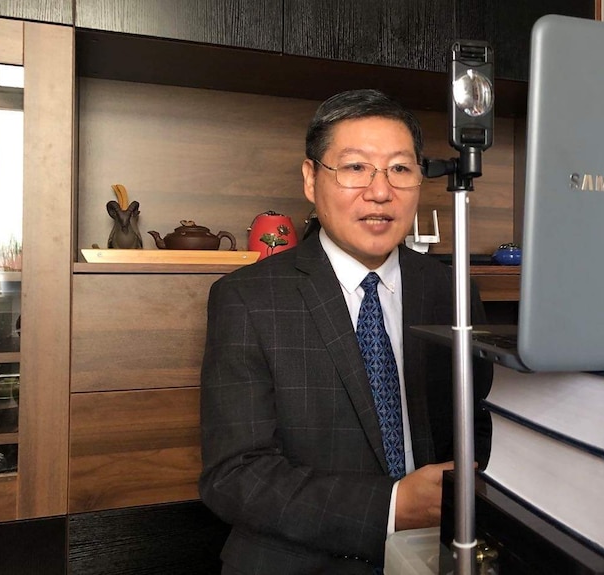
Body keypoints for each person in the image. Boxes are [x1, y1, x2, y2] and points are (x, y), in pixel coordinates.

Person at [199, 88, 493, 575]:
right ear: (311, 180)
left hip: (438, 556)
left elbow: (477, 419)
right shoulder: (248, 298)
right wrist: (392, 506)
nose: (381, 192)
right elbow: (235, 476)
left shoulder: (453, 290)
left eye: (400, 168)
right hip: (299, 562)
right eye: (355, 167)